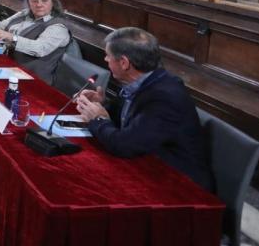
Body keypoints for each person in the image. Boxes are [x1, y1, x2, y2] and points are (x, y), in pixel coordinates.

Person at [76, 28, 213, 190]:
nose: (106, 59)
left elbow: (124, 145)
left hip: (180, 187)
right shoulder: (146, 81)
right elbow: (131, 120)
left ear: (124, 63)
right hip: (149, 166)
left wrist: (97, 119)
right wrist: (102, 104)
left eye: (108, 56)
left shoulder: (164, 97)